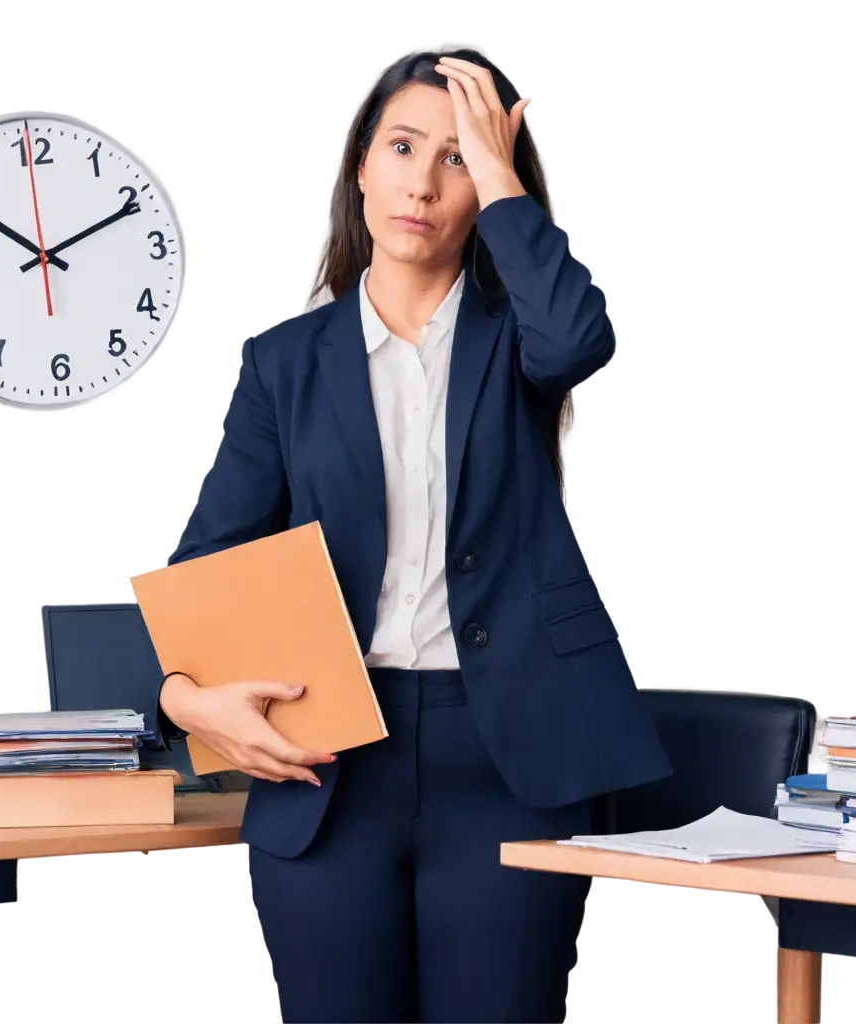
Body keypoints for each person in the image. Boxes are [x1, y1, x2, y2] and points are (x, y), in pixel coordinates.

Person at [145, 42, 671, 1024]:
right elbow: (203, 566)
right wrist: (184, 698)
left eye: (456, 157)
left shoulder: (517, 342)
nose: (422, 184)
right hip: (329, 760)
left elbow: (576, 338)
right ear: (358, 165)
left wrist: (503, 168)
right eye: (401, 147)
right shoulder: (281, 365)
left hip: (509, 756)